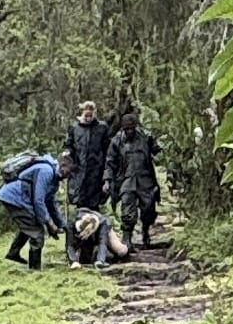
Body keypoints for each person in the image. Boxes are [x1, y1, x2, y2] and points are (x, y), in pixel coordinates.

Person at [0, 153, 62, 268]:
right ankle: (34, 269)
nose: (68, 176)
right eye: (69, 172)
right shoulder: (47, 171)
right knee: (37, 232)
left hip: (16, 198)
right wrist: (49, 223)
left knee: (29, 226)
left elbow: (50, 203)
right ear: (63, 165)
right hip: (14, 198)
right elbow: (38, 200)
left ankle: (13, 253)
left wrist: (62, 224)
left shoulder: (54, 180)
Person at [109, 106, 161, 246]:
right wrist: (107, 180)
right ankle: (127, 239)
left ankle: (145, 232)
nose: (129, 132)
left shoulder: (146, 137)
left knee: (148, 209)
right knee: (127, 209)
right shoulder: (117, 141)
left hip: (146, 179)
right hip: (126, 179)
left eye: (131, 129)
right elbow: (110, 162)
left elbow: (157, 151)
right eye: (126, 130)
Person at [63, 102, 112, 217]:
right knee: (80, 203)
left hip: (96, 172)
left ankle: (95, 229)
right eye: (86, 115)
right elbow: (69, 145)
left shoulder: (102, 128)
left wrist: (106, 175)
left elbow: (107, 151)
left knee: (94, 203)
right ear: (81, 114)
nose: (89, 118)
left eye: (91, 115)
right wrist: (67, 157)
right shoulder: (74, 128)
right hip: (78, 172)